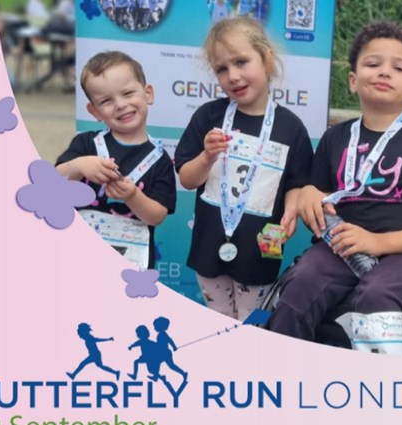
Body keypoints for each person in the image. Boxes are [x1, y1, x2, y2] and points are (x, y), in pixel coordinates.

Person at [268, 21, 402, 356]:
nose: (384, 71)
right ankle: (285, 374)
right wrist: (309, 194)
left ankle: (378, 385)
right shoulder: (334, 138)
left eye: (398, 68)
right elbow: (316, 199)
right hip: (340, 248)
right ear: (353, 80)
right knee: (298, 287)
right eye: (373, 64)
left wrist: (378, 242)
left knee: (377, 297)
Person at [174, 16, 313, 320]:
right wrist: (206, 157)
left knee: (251, 326)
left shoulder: (291, 128)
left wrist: (290, 213)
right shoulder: (208, 116)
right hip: (209, 246)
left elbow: (297, 182)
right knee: (217, 322)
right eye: (222, 69)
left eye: (241, 62)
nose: (233, 76)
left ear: (267, 59)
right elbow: (186, 178)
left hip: (260, 252)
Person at [56, 51, 176, 270]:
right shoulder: (86, 144)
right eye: (106, 101)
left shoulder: (160, 160)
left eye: (128, 93)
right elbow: (53, 182)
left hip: (132, 263)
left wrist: (132, 196)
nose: (120, 104)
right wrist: (79, 165)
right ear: (95, 111)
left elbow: (157, 216)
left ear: (148, 94)